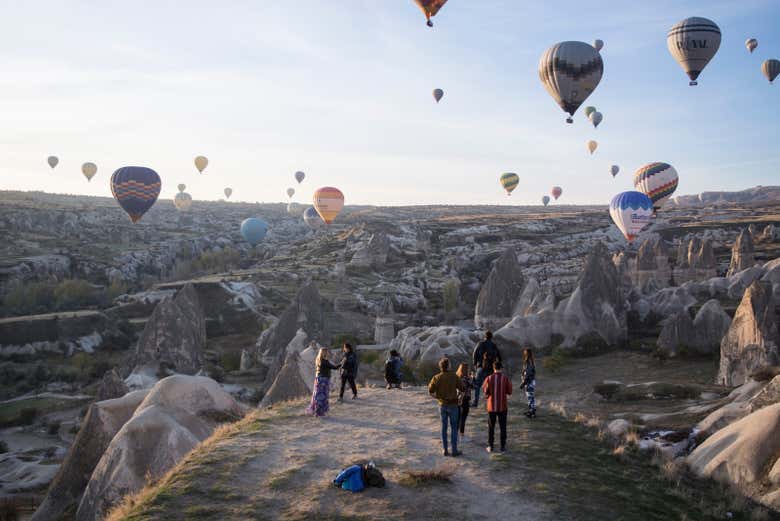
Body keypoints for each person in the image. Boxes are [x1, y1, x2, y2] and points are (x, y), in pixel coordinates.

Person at [428, 357, 465, 457]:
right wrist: (460, 398)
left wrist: (437, 398)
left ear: (440, 367)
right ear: (448, 366)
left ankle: (445, 450)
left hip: (442, 405)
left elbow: (430, 391)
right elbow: (462, 389)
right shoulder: (454, 376)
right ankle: (454, 450)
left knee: (443, 428)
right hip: (453, 405)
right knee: (453, 428)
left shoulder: (436, 377)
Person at [482, 360, 512, 453]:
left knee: (491, 427)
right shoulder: (505, 378)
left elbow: (485, 392)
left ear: (493, 368)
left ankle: (490, 446)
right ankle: (503, 447)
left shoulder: (489, 378)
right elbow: (510, 391)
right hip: (503, 406)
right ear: (501, 368)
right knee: (503, 427)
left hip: (492, 407)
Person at [306, 348, 341, 417]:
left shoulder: (318, 360)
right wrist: (342, 362)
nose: (328, 353)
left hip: (319, 379)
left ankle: (316, 411)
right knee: (322, 396)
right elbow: (335, 367)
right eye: (327, 352)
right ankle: (319, 412)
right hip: (324, 380)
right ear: (324, 353)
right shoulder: (325, 361)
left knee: (317, 395)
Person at [471, 331, 502, 407]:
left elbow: (474, 354)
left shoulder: (480, 344)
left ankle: (475, 403)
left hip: (481, 367)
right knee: (491, 387)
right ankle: (491, 403)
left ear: (485, 336)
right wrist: (497, 366)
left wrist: (475, 364)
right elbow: (499, 357)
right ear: (491, 337)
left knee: (477, 386)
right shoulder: (494, 345)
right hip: (491, 369)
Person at [455, 363, 474, 440]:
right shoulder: (467, 379)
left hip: (457, 399)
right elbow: (473, 386)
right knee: (463, 418)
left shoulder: (457, 378)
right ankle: (461, 434)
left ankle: (455, 433)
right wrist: (472, 378)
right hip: (465, 399)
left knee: (458, 417)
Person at [519, 348, 537, 418]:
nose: (524, 353)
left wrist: (523, 383)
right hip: (531, 381)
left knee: (530, 397)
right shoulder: (531, 361)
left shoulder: (528, 361)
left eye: (525, 352)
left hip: (529, 381)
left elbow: (528, 373)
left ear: (526, 353)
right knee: (531, 397)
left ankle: (532, 412)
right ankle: (531, 410)